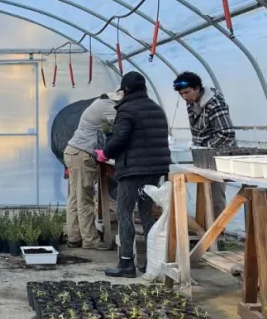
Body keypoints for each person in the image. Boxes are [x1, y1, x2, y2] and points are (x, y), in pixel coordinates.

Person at [96, 71, 171, 278]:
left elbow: (120, 138)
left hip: (133, 171)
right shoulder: (157, 109)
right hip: (155, 169)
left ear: (125, 90)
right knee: (147, 213)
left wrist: (105, 153)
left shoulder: (127, 110)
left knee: (124, 212)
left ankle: (126, 263)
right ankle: (151, 262)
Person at [173, 71, 235, 219]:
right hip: (204, 154)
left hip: (220, 155)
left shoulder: (214, 104)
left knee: (215, 195)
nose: (184, 97)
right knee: (204, 193)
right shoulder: (191, 103)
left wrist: (205, 146)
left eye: (187, 92)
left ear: (197, 88)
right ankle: (205, 228)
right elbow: (197, 130)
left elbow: (227, 133)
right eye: (181, 94)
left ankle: (218, 234)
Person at [63, 92, 118, 250]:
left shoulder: (98, 104)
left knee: (74, 197)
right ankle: (90, 240)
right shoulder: (107, 105)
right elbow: (123, 123)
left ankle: (74, 237)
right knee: (85, 199)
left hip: (73, 152)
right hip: (82, 155)